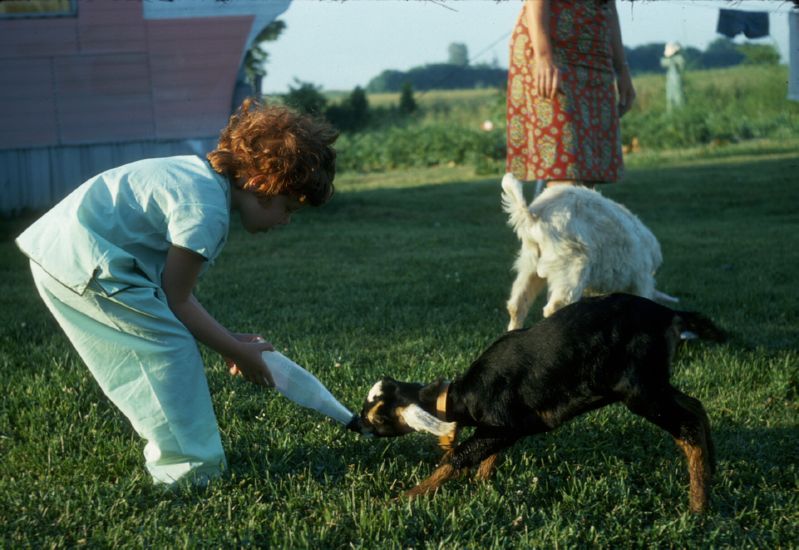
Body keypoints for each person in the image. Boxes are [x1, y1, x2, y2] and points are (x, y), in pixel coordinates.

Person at [15, 99, 338, 486]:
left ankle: (185, 460)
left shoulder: (199, 181)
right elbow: (178, 300)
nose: (285, 220)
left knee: (165, 341)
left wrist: (230, 340)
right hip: (86, 260)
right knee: (168, 355)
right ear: (260, 185)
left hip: (68, 252)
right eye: (288, 208)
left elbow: (174, 292)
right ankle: (190, 472)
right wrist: (238, 353)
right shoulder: (207, 212)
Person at [506, 0, 636, 192]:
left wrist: (622, 69)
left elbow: (610, 6)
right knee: (563, 165)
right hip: (552, 51)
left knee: (589, 170)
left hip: (596, 53)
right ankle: (558, 219)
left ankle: (574, 220)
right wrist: (543, 57)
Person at [661, 41, 686, 113]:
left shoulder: (679, 58)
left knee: (678, 97)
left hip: (676, 79)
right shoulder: (669, 60)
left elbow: (681, 67)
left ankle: (680, 113)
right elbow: (663, 63)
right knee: (670, 98)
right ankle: (671, 113)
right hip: (671, 80)